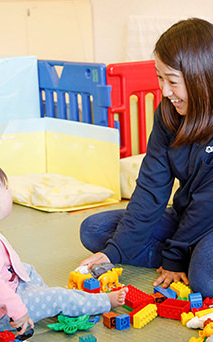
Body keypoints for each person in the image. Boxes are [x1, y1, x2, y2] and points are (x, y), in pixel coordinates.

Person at [80, 18, 213, 298]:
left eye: (173, 81)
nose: (164, 91)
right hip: (185, 218)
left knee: (205, 282)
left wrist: (174, 254)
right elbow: (151, 188)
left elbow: (207, 203)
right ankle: (190, 252)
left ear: (202, 78)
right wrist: (113, 254)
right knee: (94, 230)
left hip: (210, 219)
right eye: (160, 77)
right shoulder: (168, 116)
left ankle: (189, 256)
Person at [0, 161, 128, 335]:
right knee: (59, 296)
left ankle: (42, 296)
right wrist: (18, 311)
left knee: (26, 269)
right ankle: (103, 301)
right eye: (5, 187)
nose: (10, 190)